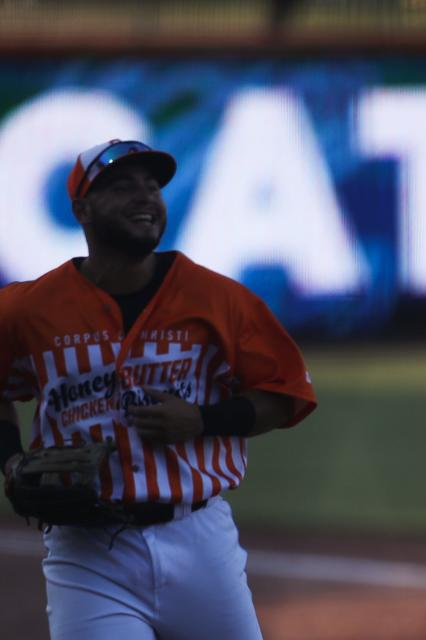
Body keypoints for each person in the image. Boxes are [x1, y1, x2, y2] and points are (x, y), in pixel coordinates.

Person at [0, 139, 317, 639]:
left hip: (199, 540)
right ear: (82, 209)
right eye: (123, 186)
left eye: (152, 186)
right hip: (86, 552)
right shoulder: (29, 309)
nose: (144, 196)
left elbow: (286, 393)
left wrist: (204, 421)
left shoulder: (219, 299)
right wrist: (10, 458)